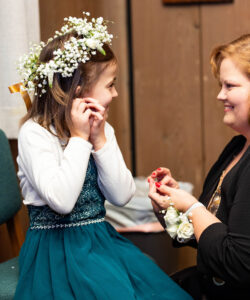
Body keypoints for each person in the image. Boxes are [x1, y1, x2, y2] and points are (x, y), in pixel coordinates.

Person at [13, 13, 192, 300]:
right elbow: (61, 201)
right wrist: (80, 139)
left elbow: (121, 195)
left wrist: (99, 140)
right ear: (79, 91)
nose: (116, 92)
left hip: (98, 240)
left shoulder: (101, 128)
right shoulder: (35, 134)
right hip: (54, 252)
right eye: (110, 85)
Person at [148, 34, 250, 300]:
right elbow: (208, 237)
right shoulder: (236, 147)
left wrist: (191, 207)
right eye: (220, 85)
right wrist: (170, 208)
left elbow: (239, 264)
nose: (220, 95)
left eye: (230, 85)